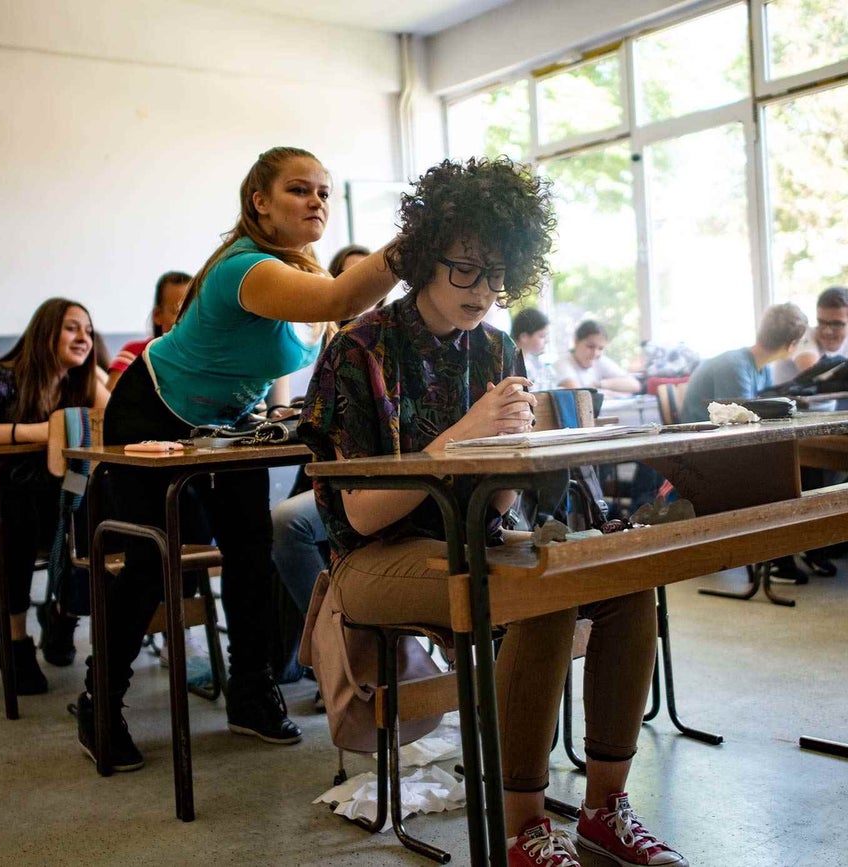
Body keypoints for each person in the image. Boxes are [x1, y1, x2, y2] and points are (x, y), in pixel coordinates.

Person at [299, 156, 687, 867]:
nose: (484, 290)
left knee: (627, 577)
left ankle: (605, 806)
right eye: (466, 269)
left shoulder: (498, 346)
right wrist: (461, 436)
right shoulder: (361, 349)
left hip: (479, 535)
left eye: (498, 273)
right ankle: (523, 826)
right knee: (540, 587)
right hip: (374, 559)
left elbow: (501, 499)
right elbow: (358, 516)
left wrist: (535, 441)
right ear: (423, 256)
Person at [75, 147, 399, 772]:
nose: (317, 202)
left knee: (250, 551)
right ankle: (100, 703)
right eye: (299, 190)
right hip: (152, 408)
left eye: (325, 193)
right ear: (260, 202)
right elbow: (338, 300)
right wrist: (417, 238)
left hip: (225, 423)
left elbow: (290, 351)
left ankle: (251, 693)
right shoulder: (244, 267)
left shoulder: (293, 271)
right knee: (149, 560)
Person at [0, 298, 107, 693]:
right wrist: (31, 431)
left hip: (45, 505)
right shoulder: (2, 378)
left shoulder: (81, 382)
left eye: (89, 331)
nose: (84, 337)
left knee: (95, 499)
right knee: (14, 505)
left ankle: (63, 611)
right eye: (72, 328)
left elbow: (114, 426)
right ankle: (14, 639)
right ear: (45, 332)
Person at [271, 241, 372, 694]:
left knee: (286, 524)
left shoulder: (388, 341)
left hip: (375, 484)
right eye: (350, 284)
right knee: (279, 525)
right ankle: (310, 655)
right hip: (330, 470)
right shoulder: (321, 342)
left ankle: (339, 656)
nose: (362, 296)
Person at [681, 303, 808, 424]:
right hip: (701, 438)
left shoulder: (764, 369)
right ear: (792, 345)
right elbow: (739, 421)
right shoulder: (734, 367)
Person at [772, 286, 848, 384]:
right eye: (822, 322)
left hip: (822, 412)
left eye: (836, 324)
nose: (827, 331)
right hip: (786, 413)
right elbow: (816, 374)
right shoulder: (804, 336)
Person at [105, 271, 192, 390]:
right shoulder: (135, 354)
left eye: (193, 310)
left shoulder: (208, 358)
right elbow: (109, 401)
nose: (187, 319)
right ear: (157, 315)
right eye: (177, 311)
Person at [555, 320, 641, 396]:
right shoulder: (562, 363)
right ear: (576, 342)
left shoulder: (598, 360)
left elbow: (635, 385)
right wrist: (607, 392)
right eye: (590, 346)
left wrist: (599, 385)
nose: (595, 353)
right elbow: (577, 395)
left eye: (601, 348)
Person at [511, 307, 558, 390]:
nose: (546, 341)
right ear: (524, 337)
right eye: (542, 336)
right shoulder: (509, 365)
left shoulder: (535, 362)